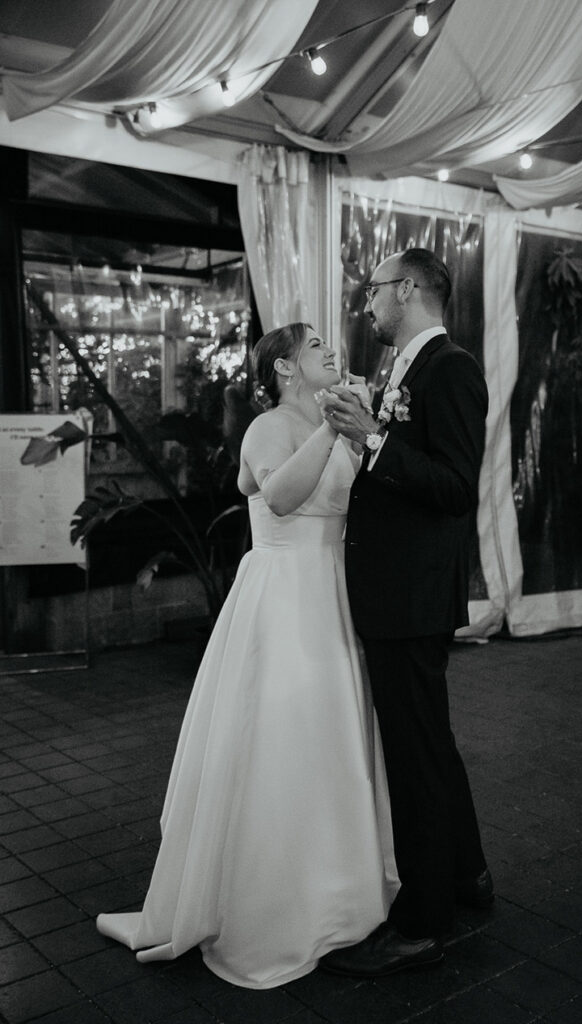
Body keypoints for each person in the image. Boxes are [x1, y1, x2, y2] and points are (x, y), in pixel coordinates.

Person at [96, 322, 399, 989]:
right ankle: (270, 905)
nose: (330, 352)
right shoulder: (267, 427)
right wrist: (333, 427)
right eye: (315, 346)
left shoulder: (337, 424)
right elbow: (283, 496)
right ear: (285, 369)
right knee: (279, 742)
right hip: (283, 599)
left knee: (331, 744)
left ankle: (336, 895)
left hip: (332, 596)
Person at [315, 248, 492, 977]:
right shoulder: (399, 369)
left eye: (375, 291)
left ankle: (421, 924)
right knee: (429, 743)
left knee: (414, 756)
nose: (367, 304)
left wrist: (371, 438)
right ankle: (466, 875)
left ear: (410, 290)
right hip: (395, 588)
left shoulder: (450, 368)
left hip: (411, 593)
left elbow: (454, 486)